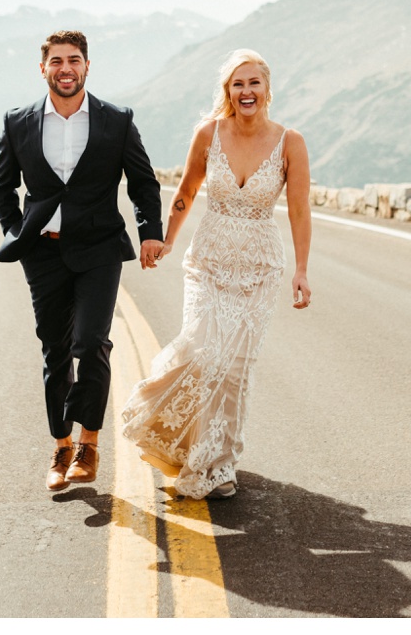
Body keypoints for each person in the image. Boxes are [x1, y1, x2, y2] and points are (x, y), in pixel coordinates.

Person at [120, 48, 312, 500]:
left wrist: (301, 270)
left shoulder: (291, 142)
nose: (246, 91)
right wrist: (166, 238)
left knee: (235, 369)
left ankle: (218, 464)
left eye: (254, 83)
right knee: (203, 352)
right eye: (237, 84)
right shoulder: (209, 134)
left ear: (267, 89)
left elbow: (301, 209)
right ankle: (172, 430)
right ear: (228, 91)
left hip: (260, 269)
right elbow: (186, 190)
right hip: (208, 262)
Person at [0, 30, 166, 492]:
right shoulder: (18, 122)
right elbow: (2, 187)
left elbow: (143, 183)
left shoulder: (117, 120)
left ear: (87, 66)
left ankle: (89, 444)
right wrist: (19, 234)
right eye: (56, 61)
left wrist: (150, 233)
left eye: (73, 60)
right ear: (43, 68)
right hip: (43, 253)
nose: (65, 68)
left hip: (99, 250)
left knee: (90, 343)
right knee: (54, 350)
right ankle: (61, 445)